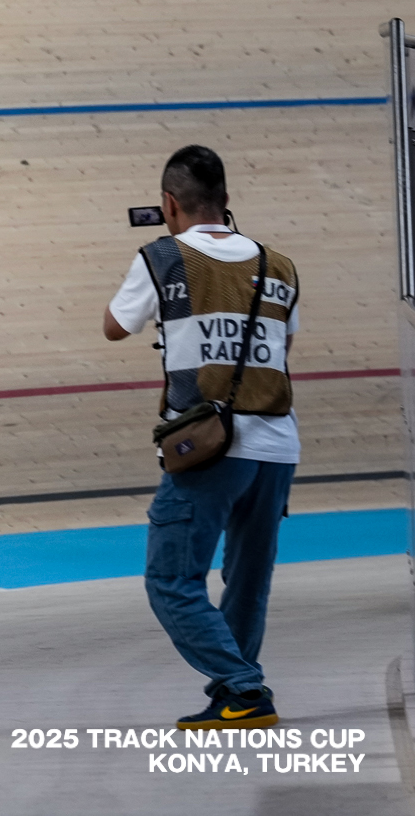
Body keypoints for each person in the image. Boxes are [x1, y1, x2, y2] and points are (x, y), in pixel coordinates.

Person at [103, 145, 301, 731]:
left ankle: (245, 687)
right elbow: (282, 351)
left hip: (210, 445)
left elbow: (114, 327)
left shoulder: (161, 258)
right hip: (278, 443)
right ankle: (235, 696)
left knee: (170, 579)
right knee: (248, 578)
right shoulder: (279, 265)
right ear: (227, 203)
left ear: (169, 204)